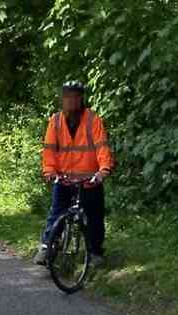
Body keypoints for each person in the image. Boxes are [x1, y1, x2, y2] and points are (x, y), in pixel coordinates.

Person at [33, 81, 114, 267]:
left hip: (89, 179)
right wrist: (49, 171)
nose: (71, 101)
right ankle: (47, 247)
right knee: (56, 213)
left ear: (81, 99)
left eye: (75, 97)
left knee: (94, 216)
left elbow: (102, 147)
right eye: (67, 97)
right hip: (64, 178)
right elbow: (49, 150)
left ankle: (95, 252)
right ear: (63, 99)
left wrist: (103, 170)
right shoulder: (56, 121)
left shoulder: (93, 120)